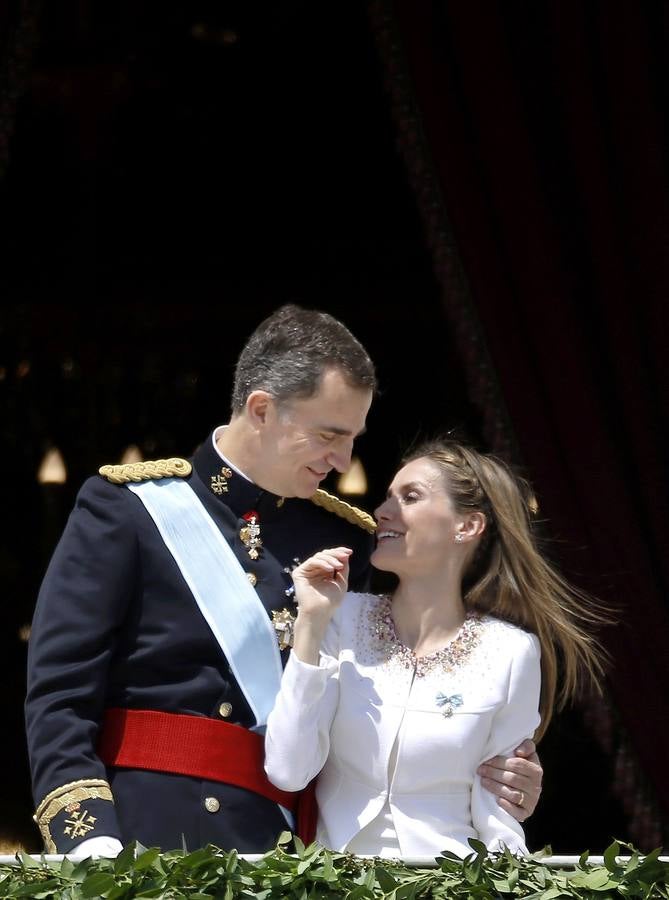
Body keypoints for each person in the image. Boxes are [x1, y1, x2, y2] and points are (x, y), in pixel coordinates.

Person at [25, 305, 542, 857]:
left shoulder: (353, 542)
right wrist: (90, 845)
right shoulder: (128, 513)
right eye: (328, 434)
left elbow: (402, 690)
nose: (343, 461)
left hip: (290, 850)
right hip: (145, 838)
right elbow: (60, 698)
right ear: (262, 409)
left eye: (352, 439)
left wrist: (501, 773)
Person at [265, 439, 607, 859]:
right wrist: (310, 625)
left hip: (452, 881)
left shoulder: (512, 652)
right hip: (334, 878)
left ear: (466, 527)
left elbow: (499, 811)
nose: (383, 511)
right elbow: (287, 771)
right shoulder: (340, 616)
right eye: (388, 497)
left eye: (410, 497)